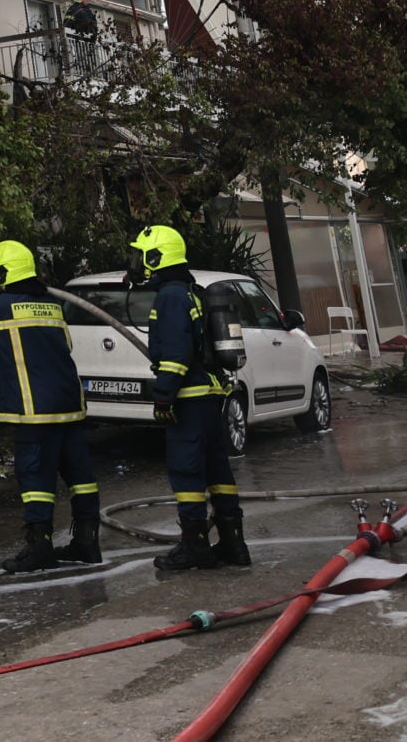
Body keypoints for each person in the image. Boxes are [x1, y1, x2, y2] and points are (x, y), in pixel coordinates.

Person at [0, 239, 103, 572]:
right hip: (69, 405)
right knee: (79, 476)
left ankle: (39, 547)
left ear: (0, 272)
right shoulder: (50, 305)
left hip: (35, 410)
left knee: (35, 475)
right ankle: (87, 542)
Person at [131, 223, 246, 571]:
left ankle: (195, 546)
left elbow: (176, 354)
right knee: (217, 469)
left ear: (155, 257)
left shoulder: (169, 296)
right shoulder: (190, 291)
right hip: (209, 395)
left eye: (140, 255)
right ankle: (233, 544)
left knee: (186, 472)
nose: (136, 261)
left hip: (189, 397)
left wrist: (163, 397)